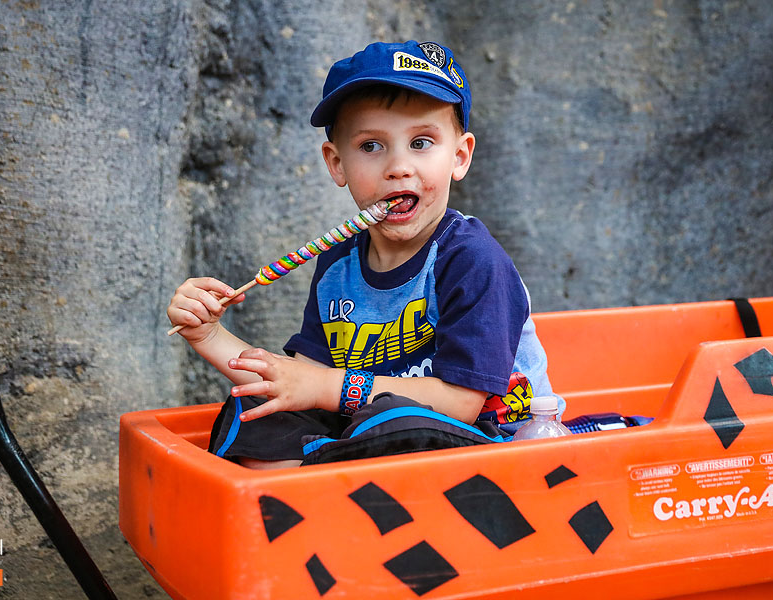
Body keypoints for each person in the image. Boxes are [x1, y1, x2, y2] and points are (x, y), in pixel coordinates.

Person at [167, 40, 555, 469]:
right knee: (261, 414)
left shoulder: (471, 260)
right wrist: (208, 336)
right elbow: (298, 383)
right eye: (371, 146)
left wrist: (327, 387)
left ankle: (318, 496)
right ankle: (289, 508)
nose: (398, 166)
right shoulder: (338, 265)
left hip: (491, 449)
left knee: (391, 421)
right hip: (369, 432)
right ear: (337, 164)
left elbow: (461, 403)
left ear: (459, 156)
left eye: (422, 142)